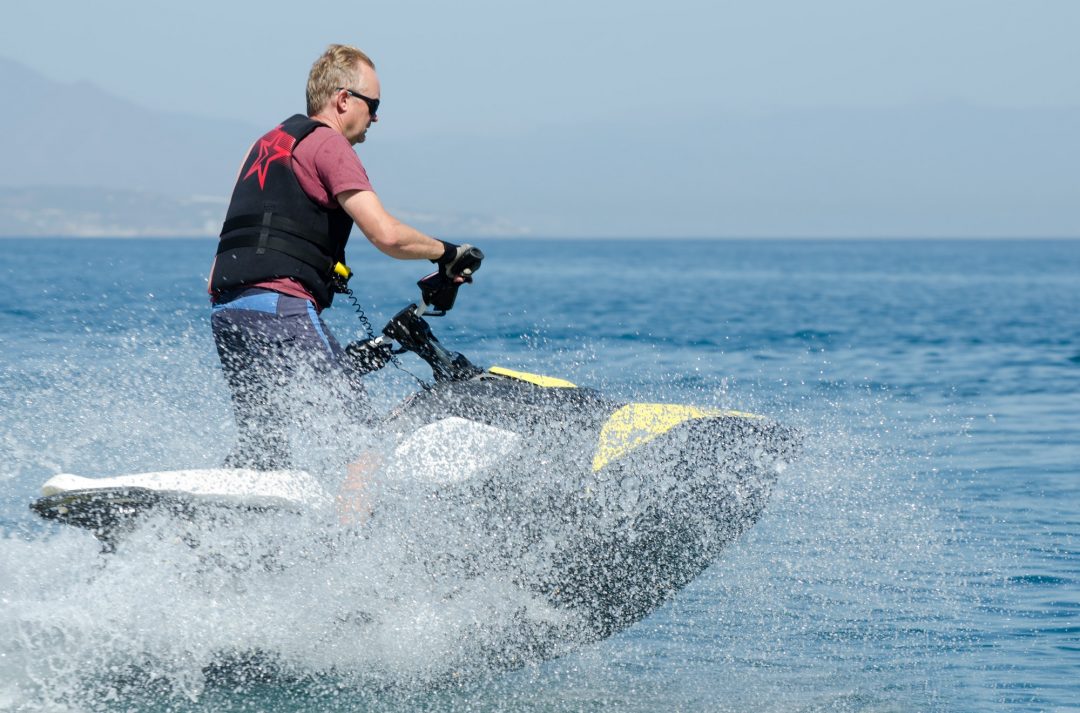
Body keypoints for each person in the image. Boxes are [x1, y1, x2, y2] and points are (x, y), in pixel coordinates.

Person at [208, 43, 478, 470]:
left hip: (229, 316)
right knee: (363, 447)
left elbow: (237, 242)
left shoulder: (263, 145)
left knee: (265, 450)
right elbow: (386, 235)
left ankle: (230, 529)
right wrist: (448, 253)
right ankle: (353, 539)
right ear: (343, 100)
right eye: (373, 105)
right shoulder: (330, 146)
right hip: (281, 309)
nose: (376, 117)